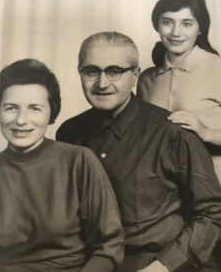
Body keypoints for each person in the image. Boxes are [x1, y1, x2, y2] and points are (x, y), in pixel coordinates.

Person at [56, 31, 221, 272]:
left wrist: (162, 267)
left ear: (135, 75)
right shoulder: (69, 133)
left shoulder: (173, 133)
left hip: (162, 265)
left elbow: (212, 211)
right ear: (80, 72)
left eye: (114, 71)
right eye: (91, 71)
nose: (102, 83)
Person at [0, 59, 124, 272]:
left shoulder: (80, 161)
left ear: (51, 113)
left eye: (35, 108)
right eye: (11, 108)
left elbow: (109, 245)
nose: (21, 120)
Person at [137, 0, 221, 184]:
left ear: (200, 28)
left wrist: (205, 131)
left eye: (187, 23)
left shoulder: (217, 68)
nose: (176, 32)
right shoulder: (146, 79)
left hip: (214, 188)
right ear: (157, 25)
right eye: (167, 22)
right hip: (163, 191)